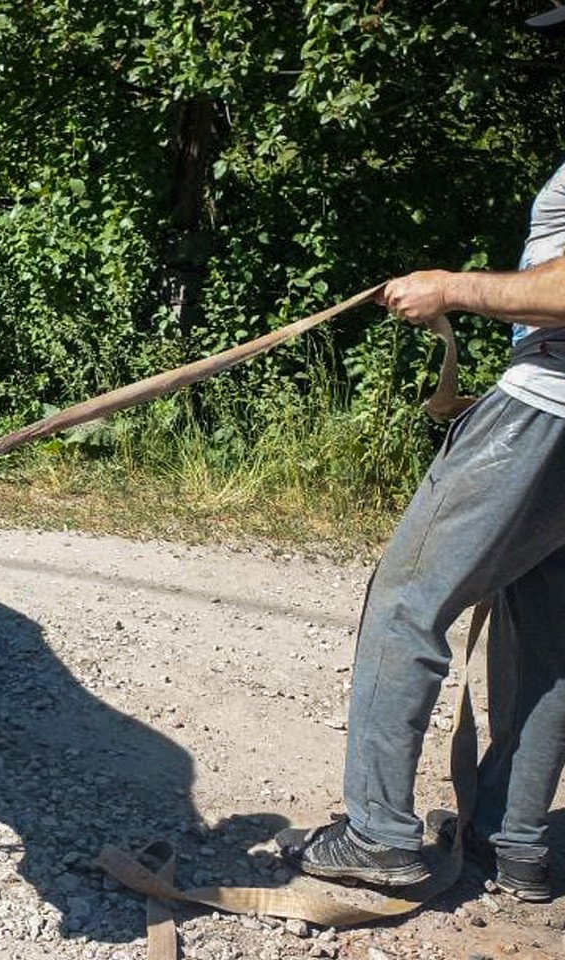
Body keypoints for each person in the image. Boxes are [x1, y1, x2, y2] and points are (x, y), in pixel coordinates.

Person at [284, 5, 565, 902]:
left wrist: (454, 288)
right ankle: (514, 842)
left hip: (543, 413)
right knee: (544, 627)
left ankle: (378, 836)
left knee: (406, 602)